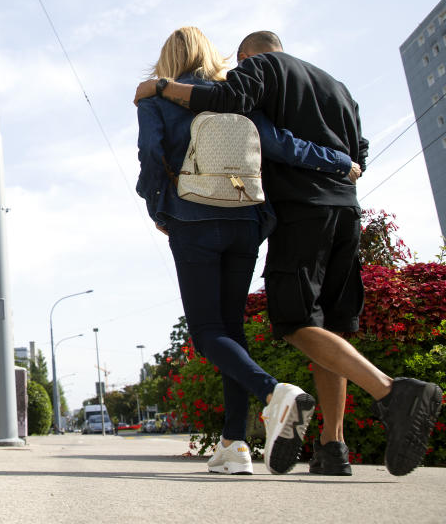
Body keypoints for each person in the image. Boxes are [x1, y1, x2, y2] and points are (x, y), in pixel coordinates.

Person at [135, 30, 444, 477]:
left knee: (220, 330)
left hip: (208, 218)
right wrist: (342, 165)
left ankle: (279, 394)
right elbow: (288, 144)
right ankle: (255, 445)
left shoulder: (217, 87)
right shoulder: (330, 87)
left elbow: (150, 155)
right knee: (266, 328)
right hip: (268, 217)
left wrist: (157, 206)